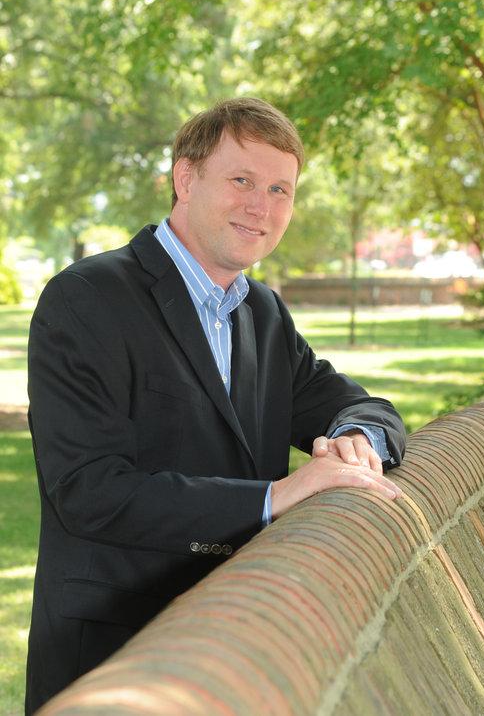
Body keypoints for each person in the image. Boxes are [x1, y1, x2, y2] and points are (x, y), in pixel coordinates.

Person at [25, 97, 405, 713]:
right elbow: (89, 490)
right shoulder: (85, 299)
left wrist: (360, 438)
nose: (262, 206)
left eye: (280, 188)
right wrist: (272, 498)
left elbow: (361, 405)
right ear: (185, 178)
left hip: (242, 655)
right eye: (242, 180)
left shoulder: (262, 312)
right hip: (117, 664)